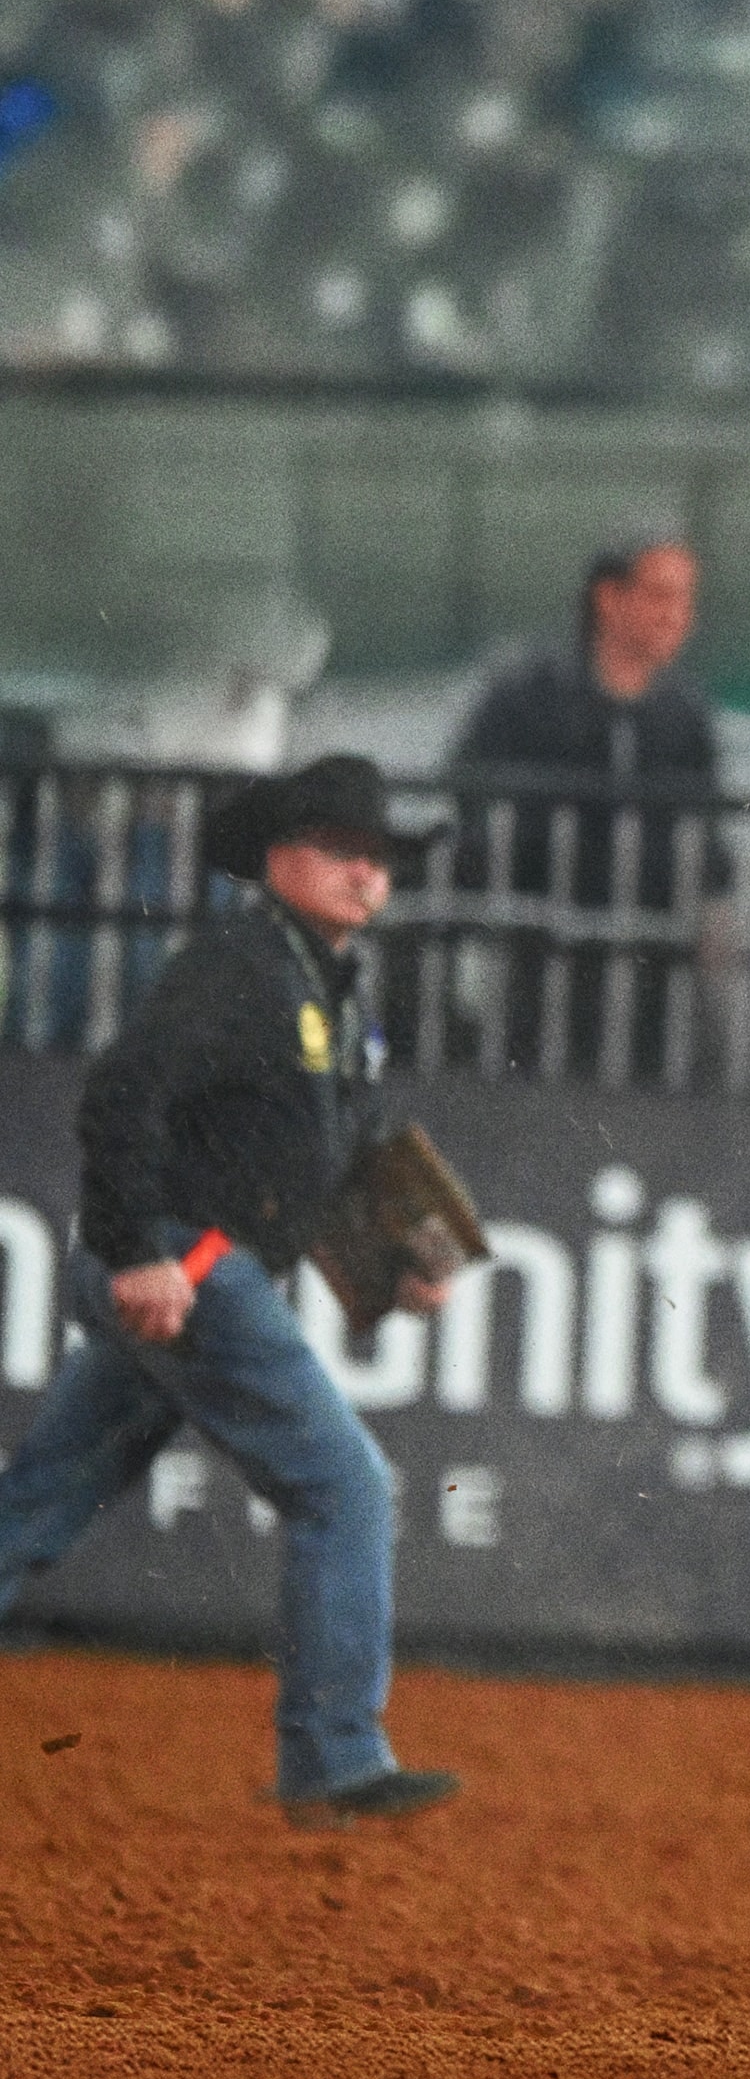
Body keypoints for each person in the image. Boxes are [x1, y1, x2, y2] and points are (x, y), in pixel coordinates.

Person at [0, 756, 460, 1826]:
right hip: (188, 1264)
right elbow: (122, 1092)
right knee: (342, 1483)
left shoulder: (323, 982)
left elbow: (331, 1157)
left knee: (46, 1494)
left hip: (185, 1265)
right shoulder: (244, 968)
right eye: (343, 850)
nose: (366, 872)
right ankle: (336, 1762)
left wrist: (401, 1262)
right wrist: (131, 1251)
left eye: (379, 855)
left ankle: (334, 1757)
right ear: (277, 860)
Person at [446, 537, 729, 1073]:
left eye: (685, 602)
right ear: (608, 597)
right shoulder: (529, 692)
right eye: (661, 596)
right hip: (536, 949)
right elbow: (471, 790)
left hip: (650, 964)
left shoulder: (685, 713)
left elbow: (709, 835)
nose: (677, 618)